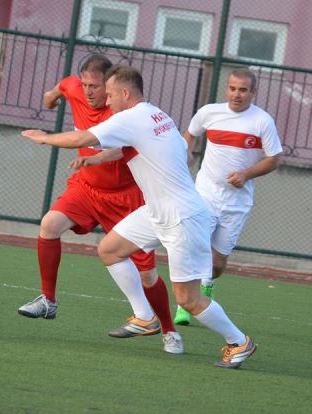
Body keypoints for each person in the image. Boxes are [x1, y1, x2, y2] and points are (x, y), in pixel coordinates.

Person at [21, 64, 257, 369]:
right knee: (110, 249)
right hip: (157, 210)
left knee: (188, 299)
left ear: (124, 93)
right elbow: (148, 151)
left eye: (109, 95)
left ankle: (239, 341)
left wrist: (44, 138)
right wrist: (98, 160)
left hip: (181, 216)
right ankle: (145, 317)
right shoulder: (156, 115)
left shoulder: (131, 118)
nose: (107, 102)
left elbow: (83, 138)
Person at [17, 54, 183, 355]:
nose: (90, 92)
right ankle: (48, 300)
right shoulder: (76, 88)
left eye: (96, 86)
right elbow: (61, 87)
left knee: (147, 273)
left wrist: (47, 139)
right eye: (86, 85)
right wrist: (51, 97)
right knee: (49, 225)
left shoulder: (123, 110)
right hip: (87, 187)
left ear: (111, 87)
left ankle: (169, 331)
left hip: (125, 196)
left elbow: (119, 147)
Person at [173, 68, 283, 326]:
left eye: (243, 90)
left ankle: (207, 285)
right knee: (195, 248)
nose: (236, 94)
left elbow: (274, 159)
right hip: (205, 194)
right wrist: (186, 155)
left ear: (253, 92)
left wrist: (246, 174)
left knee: (217, 263)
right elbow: (190, 133)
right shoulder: (209, 113)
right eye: (232, 88)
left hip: (237, 203)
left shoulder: (262, 121)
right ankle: (184, 304)